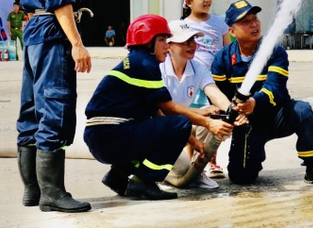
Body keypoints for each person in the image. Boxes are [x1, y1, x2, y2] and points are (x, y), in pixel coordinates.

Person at [84, 15, 232, 201]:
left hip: (105, 136)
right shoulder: (146, 64)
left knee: (157, 126)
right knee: (178, 123)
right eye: (162, 40)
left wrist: (194, 142)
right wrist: (208, 123)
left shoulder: (137, 61)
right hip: (112, 135)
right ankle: (144, 182)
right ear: (147, 42)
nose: (166, 45)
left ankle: (118, 176)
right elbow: (169, 110)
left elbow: (155, 111)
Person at [15, 0, 93, 213]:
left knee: (31, 109)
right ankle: (52, 193)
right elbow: (60, 0)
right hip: (51, 31)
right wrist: (76, 44)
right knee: (55, 109)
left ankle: (32, 190)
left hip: (33, 31)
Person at [211, 0, 313, 187]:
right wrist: (236, 115)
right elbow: (219, 97)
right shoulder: (222, 59)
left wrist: (254, 103)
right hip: (247, 123)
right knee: (241, 178)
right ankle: (253, 157)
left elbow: (276, 87)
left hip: (277, 116)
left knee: (302, 110)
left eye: (255, 18)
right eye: (245, 22)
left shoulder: (275, 52)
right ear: (232, 31)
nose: (254, 24)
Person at [160, 19, 247, 190]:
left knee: (215, 117)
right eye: (185, 41)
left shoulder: (198, 68)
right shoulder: (159, 69)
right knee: (183, 169)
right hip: (160, 129)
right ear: (169, 46)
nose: (192, 45)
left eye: (193, 40)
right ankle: (147, 172)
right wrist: (200, 115)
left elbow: (215, 94)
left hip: (179, 125)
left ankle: (197, 171)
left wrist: (233, 111)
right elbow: (164, 111)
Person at [180, 0, 230, 178]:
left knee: (212, 123)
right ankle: (189, 165)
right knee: (191, 122)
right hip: (192, 82)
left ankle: (212, 162)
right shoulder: (183, 26)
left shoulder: (219, 22)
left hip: (214, 83)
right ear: (188, 2)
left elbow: (228, 48)